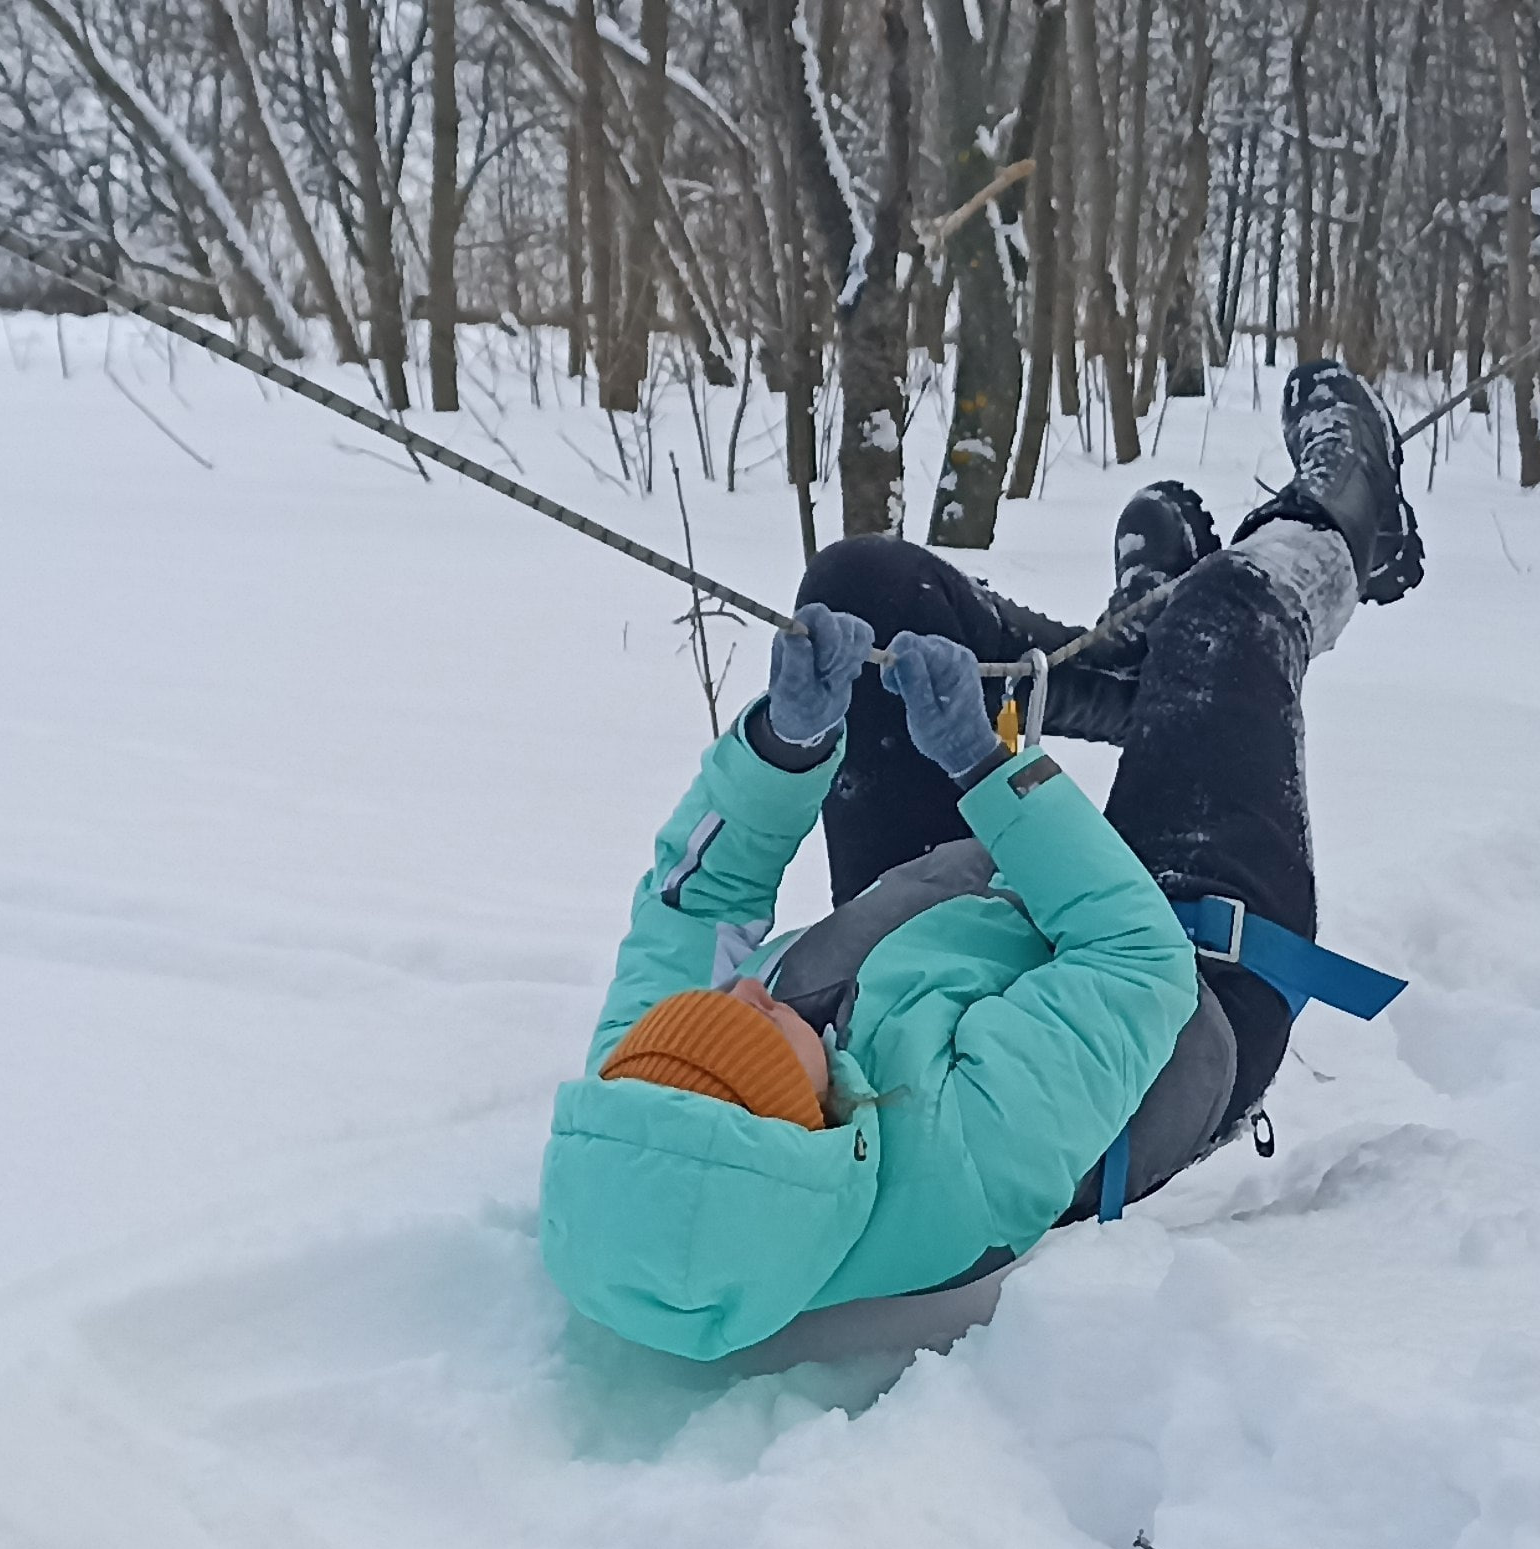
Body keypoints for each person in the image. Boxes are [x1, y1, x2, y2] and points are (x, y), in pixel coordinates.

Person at [539, 361, 1426, 1361]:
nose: (740, 994)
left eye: (705, 1010)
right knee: (1227, 611)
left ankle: (1142, 670)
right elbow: (1132, 956)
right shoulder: (959, 1154)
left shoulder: (643, 1086)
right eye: (747, 1032)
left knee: (863, 589)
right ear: (812, 1126)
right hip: (1185, 972)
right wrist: (984, 765)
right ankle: (1329, 538)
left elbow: (690, 903)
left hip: (954, 922)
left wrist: (781, 751)